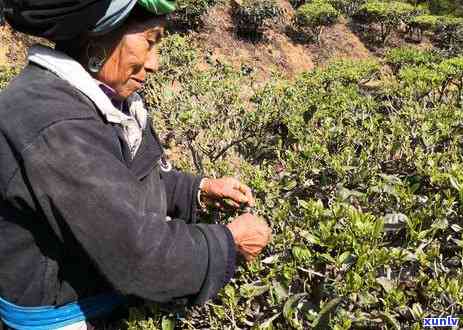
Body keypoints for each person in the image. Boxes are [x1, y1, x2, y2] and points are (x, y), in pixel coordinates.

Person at [0, 0, 272, 329]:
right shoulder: (57, 124)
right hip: (65, 318)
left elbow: (125, 177)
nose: (155, 63)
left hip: (97, 299)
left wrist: (196, 190)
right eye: (150, 40)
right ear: (98, 37)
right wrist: (227, 243)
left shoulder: (88, 98)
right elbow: (138, 255)